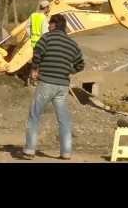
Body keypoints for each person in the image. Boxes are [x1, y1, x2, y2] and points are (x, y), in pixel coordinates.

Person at [22, 13, 85, 160]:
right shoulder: (72, 44)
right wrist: (68, 71)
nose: (48, 27)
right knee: (63, 120)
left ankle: (30, 150)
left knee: (34, 116)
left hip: (46, 83)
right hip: (62, 86)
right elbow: (80, 64)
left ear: (54, 25)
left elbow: (37, 53)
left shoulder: (47, 38)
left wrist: (34, 69)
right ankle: (66, 152)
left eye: (50, 24)